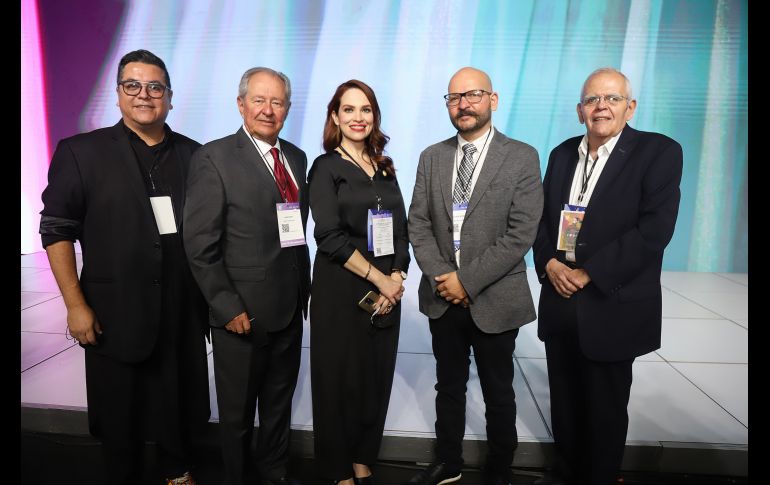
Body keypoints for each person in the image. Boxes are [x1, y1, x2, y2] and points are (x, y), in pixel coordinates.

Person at [39, 49, 210, 485]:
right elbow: (57, 230)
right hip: (114, 311)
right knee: (119, 417)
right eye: (132, 85)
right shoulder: (82, 152)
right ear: (117, 95)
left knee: (180, 405)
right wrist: (75, 306)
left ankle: (177, 470)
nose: (144, 95)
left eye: (155, 87)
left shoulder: (197, 156)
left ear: (170, 97)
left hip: (181, 310)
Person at [532, 67, 683, 485]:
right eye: (593, 100)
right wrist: (548, 263)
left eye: (612, 99)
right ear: (580, 110)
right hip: (559, 299)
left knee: (605, 408)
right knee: (563, 403)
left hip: (610, 302)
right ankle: (564, 473)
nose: (601, 107)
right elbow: (541, 224)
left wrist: (588, 274)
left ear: (630, 107)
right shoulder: (562, 154)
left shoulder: (659, 152)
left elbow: (654, 232)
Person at [406, 67, 543, 485]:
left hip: (495, 297)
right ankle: (449, 462)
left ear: (493, 100)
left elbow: (522, 231)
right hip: (442, 295)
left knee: (498, 391)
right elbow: (419, 223)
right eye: (454, 98)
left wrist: (468, 281)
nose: (463, 104)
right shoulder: (432, 156)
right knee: (448, 386)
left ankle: (500, 468)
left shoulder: (521, 156)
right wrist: (444, 276)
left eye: (473, 95)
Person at [182, 67, 310, 485]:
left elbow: (293, 230)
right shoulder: (214, 157)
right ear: (241, 104)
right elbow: (200, 243)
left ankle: (274, 472)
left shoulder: (296, 156)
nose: (268, 110)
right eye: (259, 100)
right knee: (237, 413)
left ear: (287, 108)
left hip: (289, 307)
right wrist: (226, 305)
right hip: (241, 313)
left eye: (277, 102)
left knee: (277, 404)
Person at [308, 80, 410, 485]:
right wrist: (380, 280)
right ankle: (337, 468)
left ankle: (363, 455)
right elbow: (328, 236)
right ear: (335, 116)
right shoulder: (325, 167)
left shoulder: (384, 166)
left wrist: (397, 275)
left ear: (374, 116)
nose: (357, 118)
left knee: (375, 375)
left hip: (387, 287)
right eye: (348, 110)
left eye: (365, 109)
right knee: (338, 381)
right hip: (342, 288)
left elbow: (401, 227)